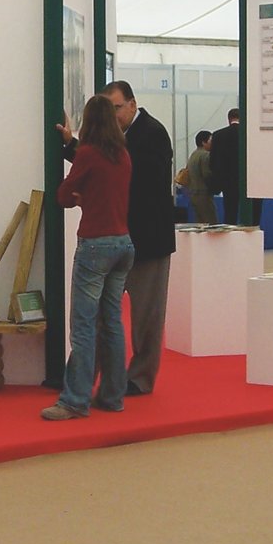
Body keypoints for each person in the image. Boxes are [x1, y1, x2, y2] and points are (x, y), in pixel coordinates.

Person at [59, 80, 176, 395]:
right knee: (105, 318)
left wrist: (93, 189)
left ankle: (139, 379)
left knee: (146, 318)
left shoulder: (153, 133)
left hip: (148, 241)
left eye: (117, 108)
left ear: (133, 104)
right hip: (119, 239)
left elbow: (124, 175)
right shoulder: (117, 143)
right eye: (108, 110)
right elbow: (104, 165)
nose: (113, 115)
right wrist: (72, 145)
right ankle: (97, 381)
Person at [43, 95, 134, 420]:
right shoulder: (122, 155)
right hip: (124, 243)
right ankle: (112, 396)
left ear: (88, 121)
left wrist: (79, 196)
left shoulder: (89, 154)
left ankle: (75, 400)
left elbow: (63, 195)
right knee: (112, 323)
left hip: (95, 245)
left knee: (83, 326)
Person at [209, 107, 242, 223]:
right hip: (247, 181)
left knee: (230, 213)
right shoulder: (249, 134)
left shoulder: (218, 135)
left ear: (229, 119)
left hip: (227, 182)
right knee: (249, 217)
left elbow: (213, 161)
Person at [186, 129, 216, 224]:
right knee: (210, 222)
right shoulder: (205, 155)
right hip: (204, 194)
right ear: (204, 142)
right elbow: (207, 174)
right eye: (211, 140)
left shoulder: (193, 154)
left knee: (200, 223)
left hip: (193, 193)